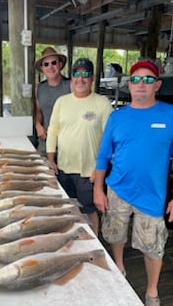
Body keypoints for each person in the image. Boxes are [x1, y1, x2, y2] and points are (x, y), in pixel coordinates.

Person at [93, 60, 173, 306]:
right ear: (129, 85)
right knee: (115, 233)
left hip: (153, 196)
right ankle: (119, 266)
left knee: (153, 247)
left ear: (157, 85)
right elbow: (103, 155)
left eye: (148, 80)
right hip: (117, 189)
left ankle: (151, 292)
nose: (142, 84)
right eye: (136, 79)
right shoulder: (117, 117)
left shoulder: (171, 114)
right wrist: (98, 188)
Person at [46, 58, 113, 235]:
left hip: (88, 173)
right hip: (63, 169)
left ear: (92, 78)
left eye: (86, 74)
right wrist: (51, 159)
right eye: (76, 73)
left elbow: (109, 140)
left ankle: (94, 244)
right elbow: (53, 131)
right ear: (72, 77)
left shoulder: (102, 103)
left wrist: (99, 171)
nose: (81, 78)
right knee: (67, 209)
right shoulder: (61, 101)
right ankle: (72, 242)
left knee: (89, 212)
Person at [34, 47, 71, 156]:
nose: (50, 67)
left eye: (54, 63)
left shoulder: (71, 85)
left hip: (67, 143)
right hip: (45, 142)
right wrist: (37, 125)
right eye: (46, 64)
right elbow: (38, 112)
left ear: (60, 64)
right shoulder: (38, 88)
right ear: (42, 68)